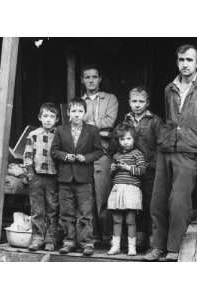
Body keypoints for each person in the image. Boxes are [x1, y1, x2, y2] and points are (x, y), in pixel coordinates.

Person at [145, 44, 197, 261]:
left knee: (179, 202)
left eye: (189, 60)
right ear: (177, 62)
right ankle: (157, 246)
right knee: (158, 200)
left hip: (189, 150)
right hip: (166, 148)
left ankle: (173, 249)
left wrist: (196, 138)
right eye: (181, 59)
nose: (185, 64)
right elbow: (169, 117)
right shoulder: (168, 88)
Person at [51, 97, 103, 256]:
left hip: (84, 178)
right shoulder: (60, 130)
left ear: (85, 113)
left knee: (85, 213)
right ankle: (69, 242)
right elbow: (54, 151)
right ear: (68, 113)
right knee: (66, 212)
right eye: (73, 111)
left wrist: (86, 158)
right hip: (65, 178)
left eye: (80, 111)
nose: (77, 114)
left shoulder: (92, 131)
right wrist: (66, 156)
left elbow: (99, 151)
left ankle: (86, 242)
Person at [81, 64, 119, 243]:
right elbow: (76, 123)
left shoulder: (110, 99)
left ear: (100, 79)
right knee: (87, 195)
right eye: (87, 77)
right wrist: (98, 127)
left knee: (103, 193)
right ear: (82, 80)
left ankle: (107, 235)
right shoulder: (79, 101)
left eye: (94, 77)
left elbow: (110, 122)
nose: (90, 80)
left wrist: (88, 125)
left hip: (103, 152)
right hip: (84, 153)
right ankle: (91, 235)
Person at [124, 86, 163, 250]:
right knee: (134, 203)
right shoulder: (126, 120)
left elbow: (161, 144)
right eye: (134, 101)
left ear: (147, 103)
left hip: (149, 168)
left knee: (150, 203)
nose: (137, 104)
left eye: (141, 101)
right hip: (131, 169)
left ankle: (153, 238)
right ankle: (138, 237)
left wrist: (153, 164)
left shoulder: (154, 120)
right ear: (129, 102)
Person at [23, 102, 59, 251]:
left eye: (52, 116)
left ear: (57, 119)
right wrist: (30, 174)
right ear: (40, 117)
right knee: (37, 209)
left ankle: (50, 239)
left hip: (53, 177)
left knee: (53, 208)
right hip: (37, 177)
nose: (48, 119)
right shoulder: (33, 135)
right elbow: (27, 155)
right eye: (45, 116)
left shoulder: (59, 135)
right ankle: (37, 237)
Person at [107, 122, 146, 256]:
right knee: (117, 219)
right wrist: (112, 170)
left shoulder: (137, 154)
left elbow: (142, 170)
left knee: (130, 220)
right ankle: (116, 246)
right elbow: (113, 175)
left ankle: (131, 247)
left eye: (128, 138)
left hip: (131, 190)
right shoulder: (116, 156)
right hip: (118, 189)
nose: (125, 142)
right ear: (118, 141)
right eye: (122, 139)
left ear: (134, 139)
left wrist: (128, 168)